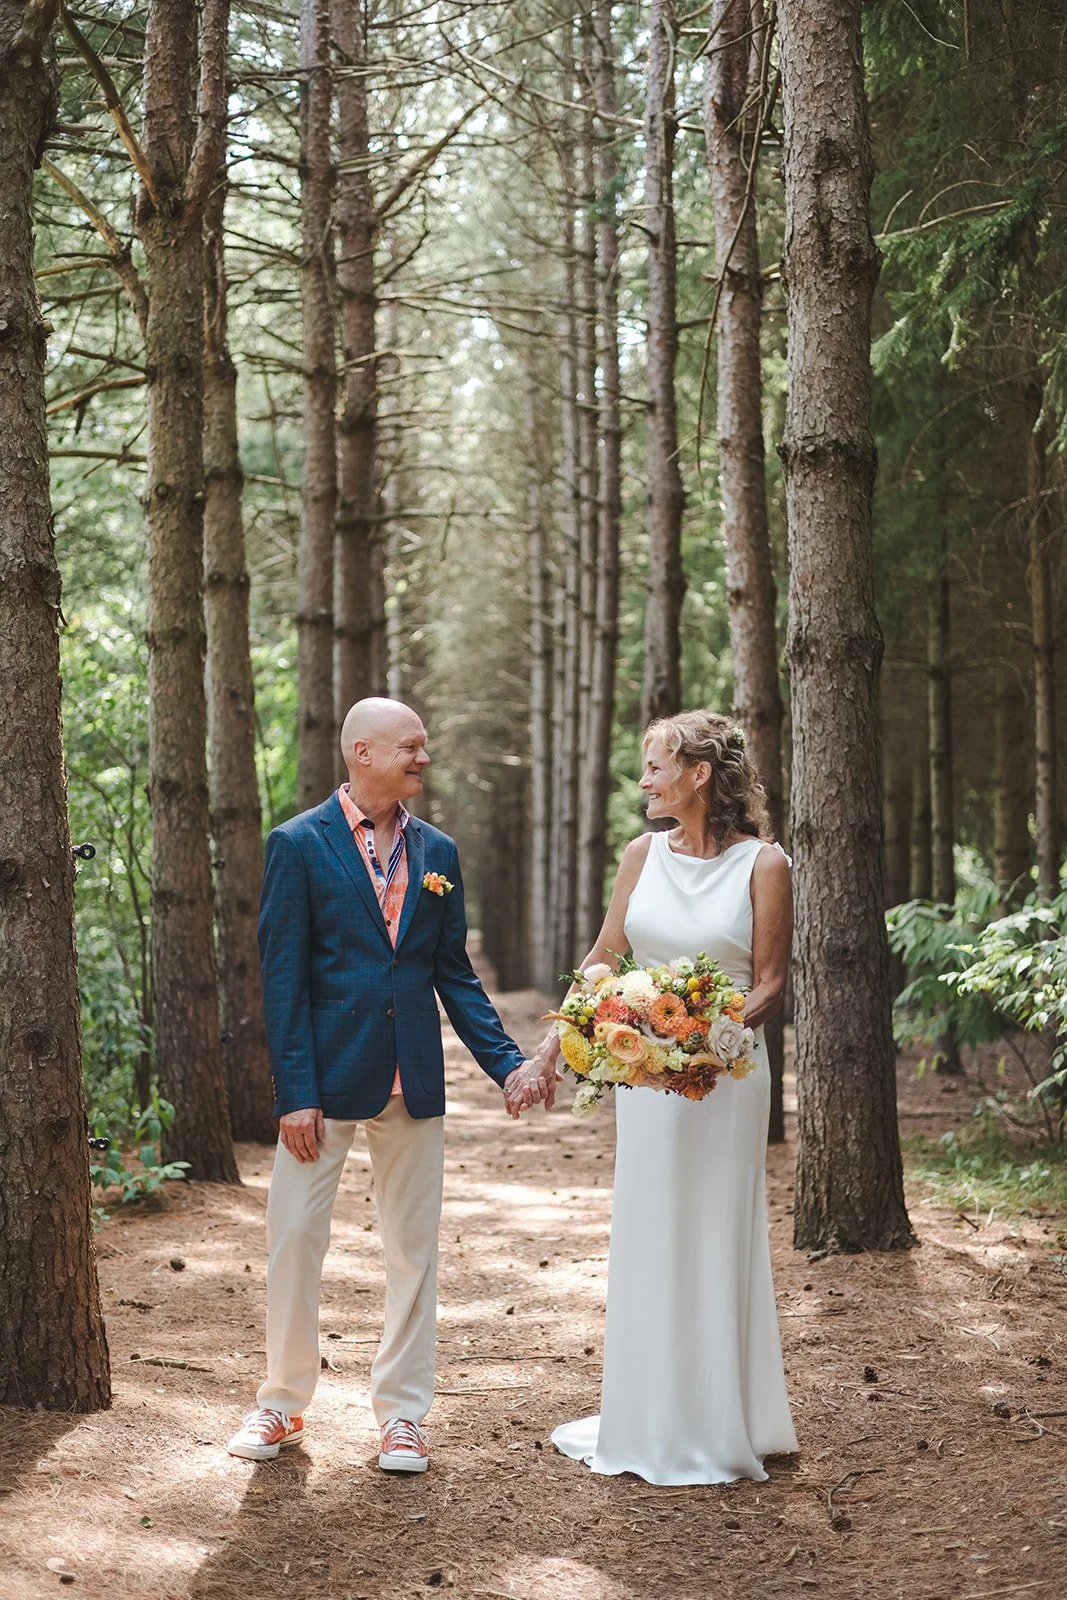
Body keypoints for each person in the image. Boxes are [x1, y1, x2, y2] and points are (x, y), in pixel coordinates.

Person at [227, 698, 548, 1471]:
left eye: (425, 747)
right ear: (361, 752)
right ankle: (281, 1404)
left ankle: (402, 1415)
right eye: (411, 748)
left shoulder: (437, 851)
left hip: (414, 1079)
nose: (423, 759)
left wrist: (507, 1065)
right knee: (295, 1239)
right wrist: (294, 1089)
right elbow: (283, 979)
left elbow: (453, 975)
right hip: (324, 1081)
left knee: (413, 1250)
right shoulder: (297, 845)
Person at [545, 710, 798, 1485]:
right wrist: (567, 1035)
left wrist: (702, 1034)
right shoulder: (639, 854)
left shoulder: (765, 864)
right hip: (645, 1078)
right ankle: (646, 1413)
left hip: (723, 1078)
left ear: (697, 775)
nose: (644, 781)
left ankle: (726, 1418)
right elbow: (601, 956)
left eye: (655, 766)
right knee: (651, 1233)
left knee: (716, 1234)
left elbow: (769, 983)